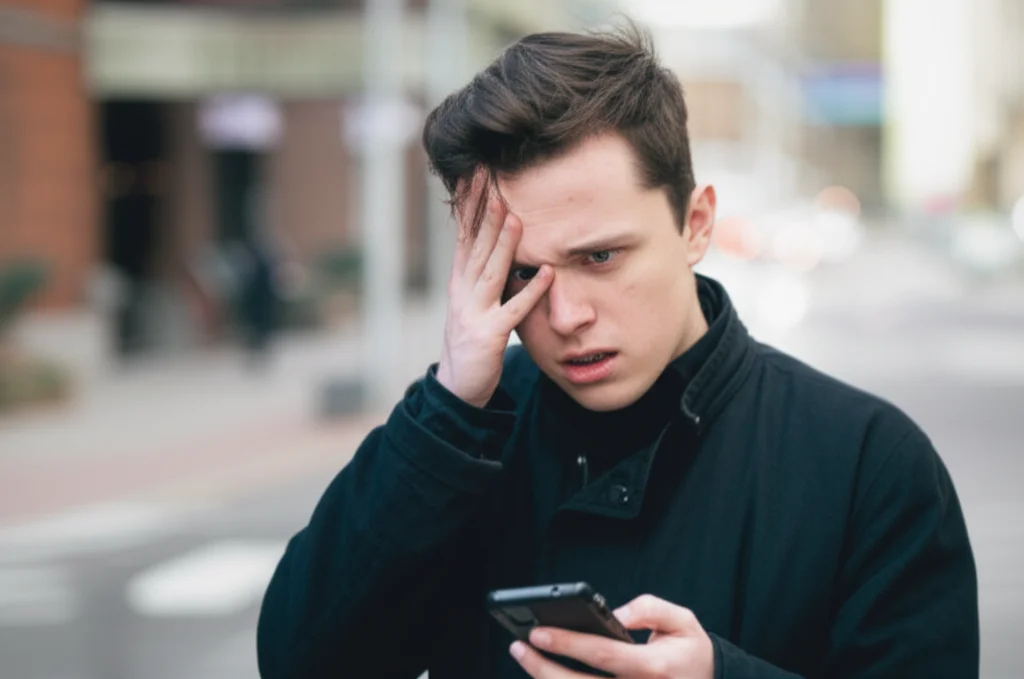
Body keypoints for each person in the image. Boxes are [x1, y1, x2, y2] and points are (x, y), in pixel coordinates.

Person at [256, 25, 978, 679]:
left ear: (696, 224)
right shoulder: (459, 439)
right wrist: (447, 408)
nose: (566, 316)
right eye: (522, 276)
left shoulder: (868, 463)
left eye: (600, 256)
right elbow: (300, 660)